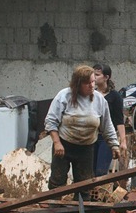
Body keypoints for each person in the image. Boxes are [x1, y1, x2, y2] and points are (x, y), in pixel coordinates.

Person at [45, 65, 119, 199]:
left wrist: (114, 145)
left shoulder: (99, 100)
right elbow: (50, 121)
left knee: (84, 185)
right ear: (78, 84)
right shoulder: (64, 96)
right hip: (64, 146)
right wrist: (56, 143)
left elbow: (107, 125)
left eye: (93, 82)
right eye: (87, 83)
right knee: (57, 182)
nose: (92, 85)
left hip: (86, 148)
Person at [92, 64, 127, 178]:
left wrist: (123, 141)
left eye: (97, 75)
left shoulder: (115, 96)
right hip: (90, 136)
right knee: (89, 171)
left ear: (106, 77)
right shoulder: (91, 94)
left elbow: (119, 120)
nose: (94, 77)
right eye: (93, 74)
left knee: (101, 171)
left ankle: (99, 195)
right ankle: (86, 196)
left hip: (105, 137)